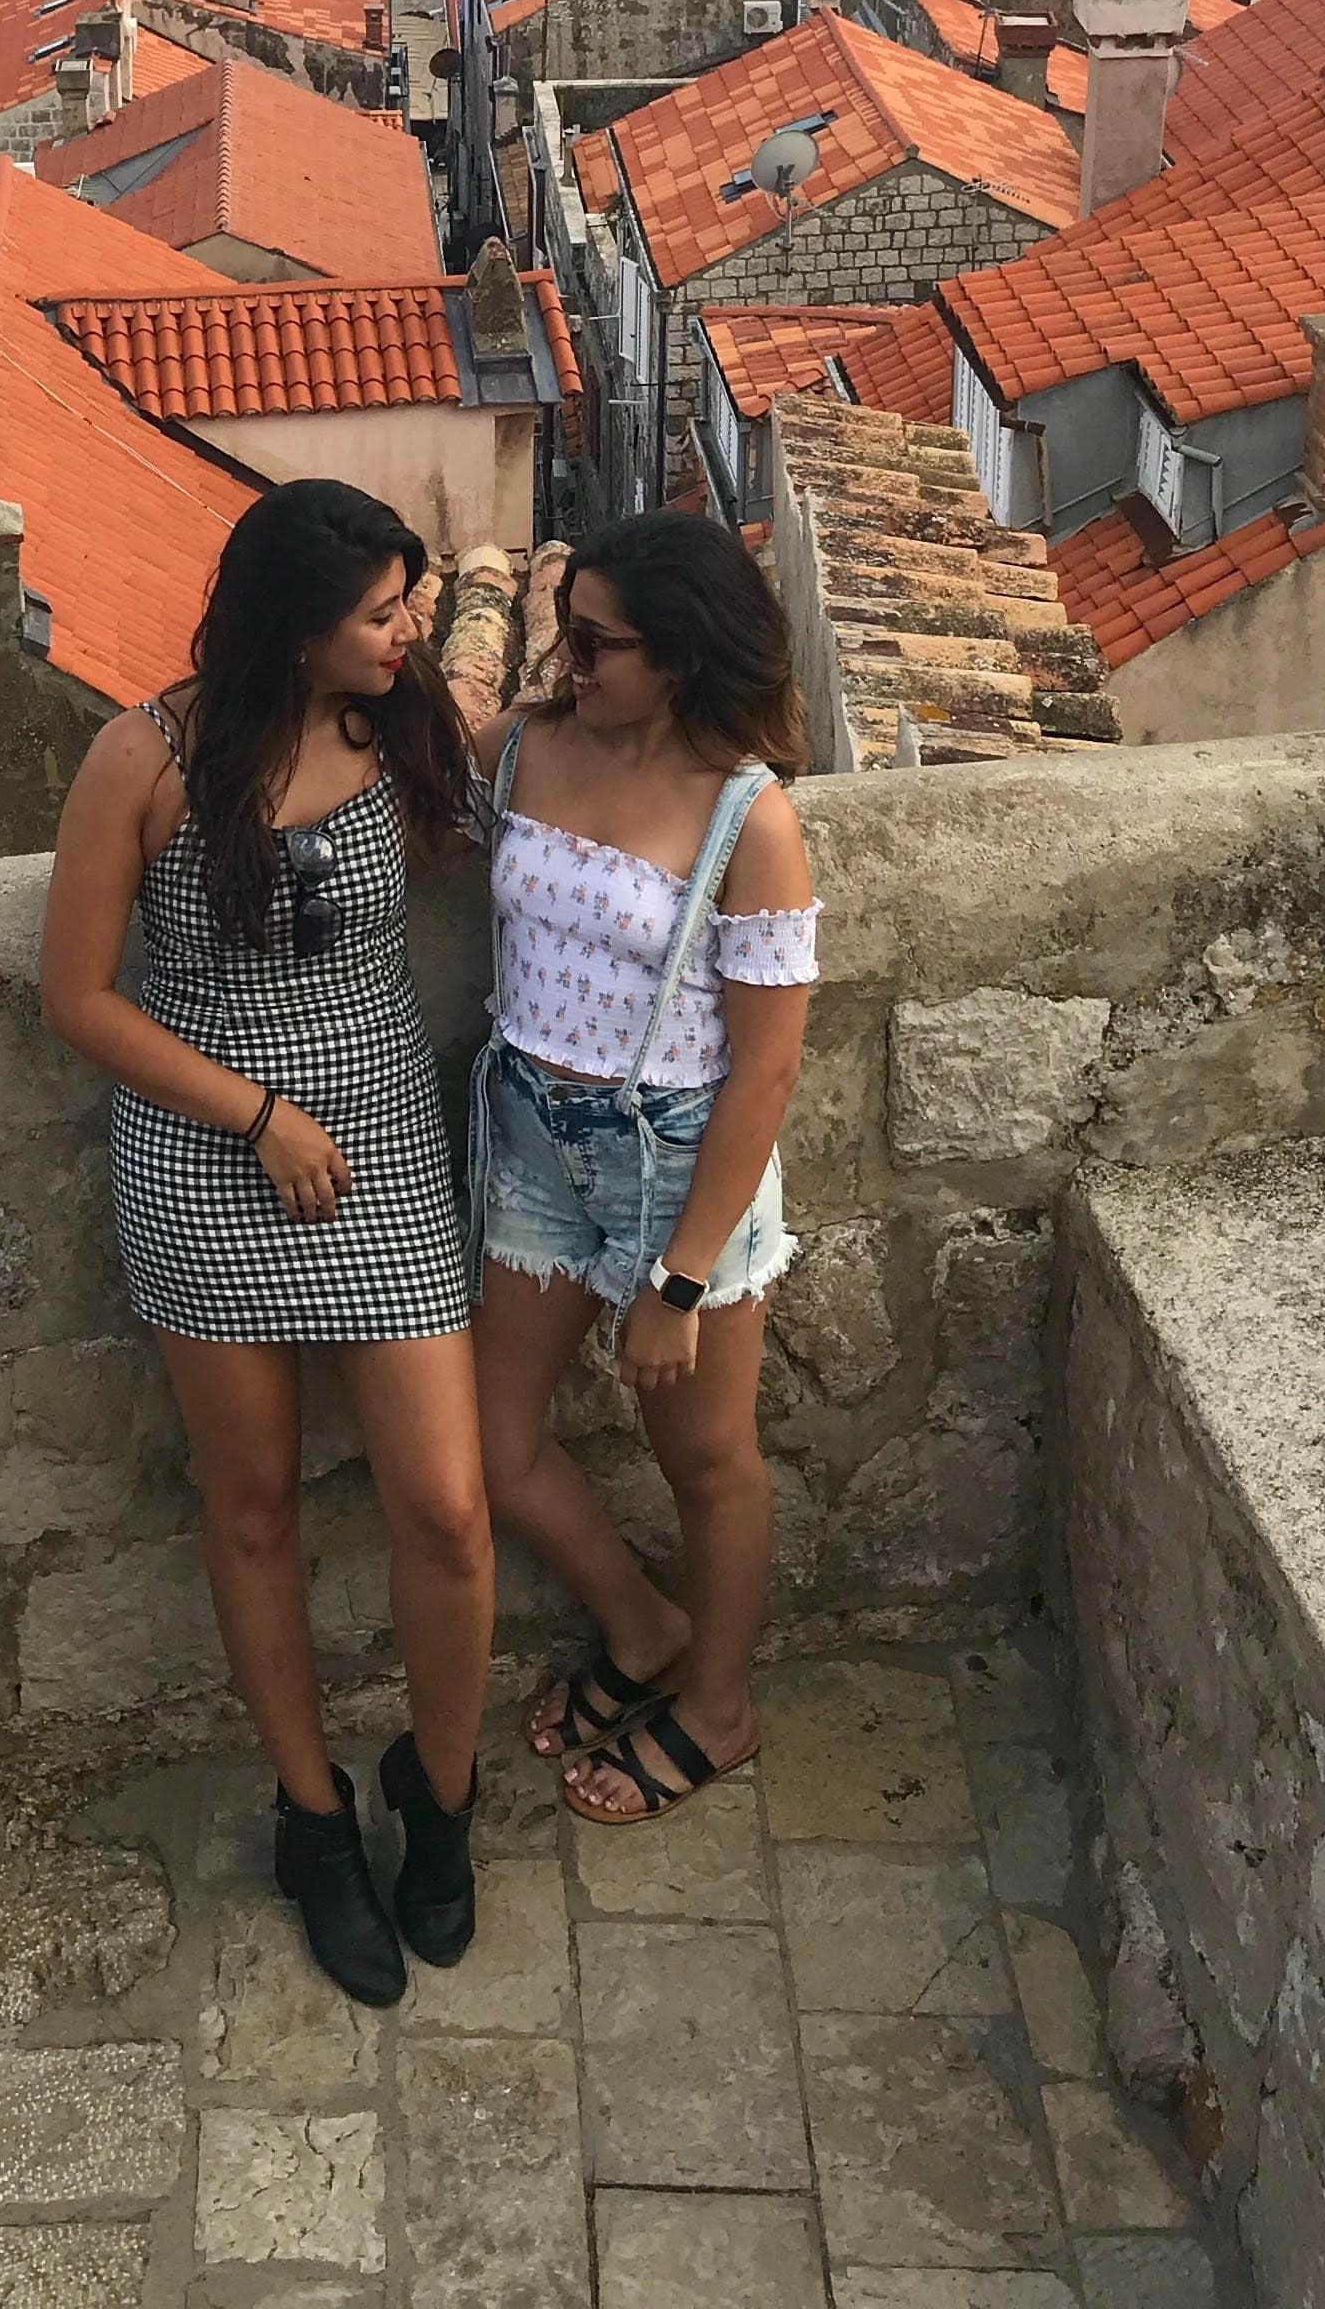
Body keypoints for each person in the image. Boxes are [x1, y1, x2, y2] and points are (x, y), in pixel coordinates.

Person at [42, 482, 493, 2003]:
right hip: (210, 1155)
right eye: (381, 612)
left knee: (443, 1508)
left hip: (379, 1148)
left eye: (408, 602)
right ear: (293, 632)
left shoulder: (401, 719)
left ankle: (439, 1794)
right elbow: (79, 997)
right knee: (251, 1510)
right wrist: (256, 1116)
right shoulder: (142, 760)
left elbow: (515, 801)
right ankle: (311, 1822)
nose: (408, 628)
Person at [467, 511, 818, 1824]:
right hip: (533, 1141)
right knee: (497, 1449)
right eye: (570, 628)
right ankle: (641, 1624)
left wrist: (675, 1285)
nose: (568, 657)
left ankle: (720, 1708)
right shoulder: (521, 748)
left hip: (680, 1170)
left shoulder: (750, 818)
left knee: (710, 1459)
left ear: (675, 657)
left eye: (599, 642)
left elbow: (764, 1074)